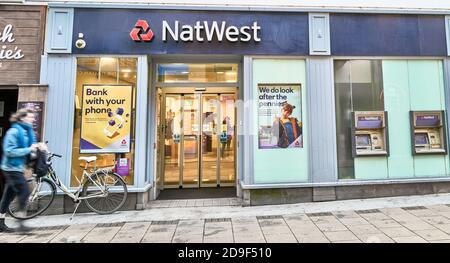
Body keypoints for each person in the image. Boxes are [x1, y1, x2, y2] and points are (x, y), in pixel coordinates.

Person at [0, 109, 39, 233]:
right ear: (22, 118)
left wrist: (38, 147)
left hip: (17, 167)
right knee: (25, 191)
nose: (33, 119)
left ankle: (0, 223)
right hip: (11, 167)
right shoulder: (14, 132)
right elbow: (9, 151)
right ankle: (21, 222)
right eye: (30, 117)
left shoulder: (27, 132)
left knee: (8, 196)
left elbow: (30, 148)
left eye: (33, 117)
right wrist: (29, 149)